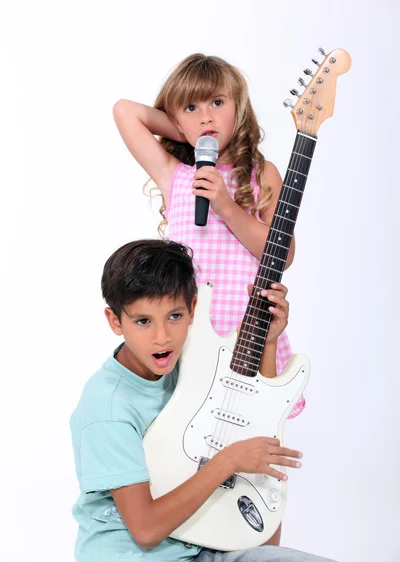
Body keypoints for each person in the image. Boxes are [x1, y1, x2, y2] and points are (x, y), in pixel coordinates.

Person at [70, 238, 356, 562]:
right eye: (143, 321)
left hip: (206, 553)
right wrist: (228, 461)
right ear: (115, 320)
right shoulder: (107, 405)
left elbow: (249, 414)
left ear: (192, 309)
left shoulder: (191, 359)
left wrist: (267, 344)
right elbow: (144, 530)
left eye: (174, 316)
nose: (162, 336)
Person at [113, 52, 305, 421]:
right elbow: (125, 111)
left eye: (217, 103)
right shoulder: (176, 174)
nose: (206, 116)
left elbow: (283, 254)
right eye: (190, 107)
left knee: (249, 427)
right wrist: (192, 134)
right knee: (183, 428)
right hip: (186, 330)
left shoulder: (263, 174)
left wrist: (226, 206)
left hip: (245, 329)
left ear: (239, 108)